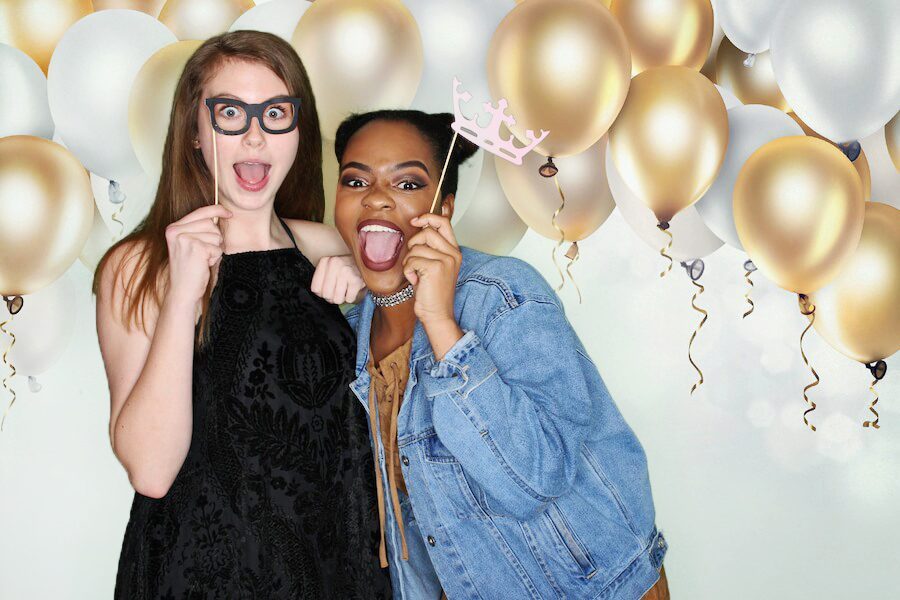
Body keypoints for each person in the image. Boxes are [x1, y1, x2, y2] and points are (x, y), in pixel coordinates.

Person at [94, 31, 391, 598]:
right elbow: (151, 472)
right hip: (200, 577)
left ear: (298, 131)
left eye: (275, 113)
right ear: (195, 132)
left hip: (336, 570)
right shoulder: (138, 266)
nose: (255, 136)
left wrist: (370, 290)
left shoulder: (327, 247)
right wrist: (183, 295)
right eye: (230, 112)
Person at [328, 109, 669, 599]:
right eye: (355, 181)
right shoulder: (347, 337)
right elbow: (409, 529)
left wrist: (442, 326)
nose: (376, 197)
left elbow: (536, 480)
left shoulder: (503, 295)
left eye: (407, 184)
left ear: (443, 208)